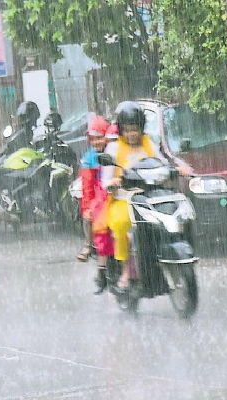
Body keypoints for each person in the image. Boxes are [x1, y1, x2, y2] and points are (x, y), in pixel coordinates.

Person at [103, 101, 155, 288]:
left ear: (141, 128)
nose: (132, 134)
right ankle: (125, 269)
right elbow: (106, 179)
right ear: (121, 131)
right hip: (124, 199)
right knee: (121, 224)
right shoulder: (113, 149)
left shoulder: (149, 144)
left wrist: (176, 169)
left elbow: (161, 162)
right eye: (127, 130)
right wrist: (112, 182)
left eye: (135, 129)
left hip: (149, 197)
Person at [76, 115, 110, 262]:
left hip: (112, 192)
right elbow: (87, 186)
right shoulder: (89, 158)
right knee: (89, 215)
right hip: (97, 195)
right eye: (93, 139)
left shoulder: (114, 151)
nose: (96, 142)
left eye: (100, 138)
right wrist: (88, 208)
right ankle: (88, 245)